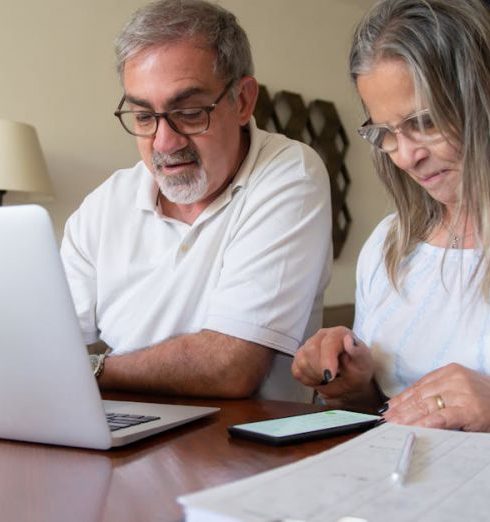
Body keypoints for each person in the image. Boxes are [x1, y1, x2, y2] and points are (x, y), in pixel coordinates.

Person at [61, 0, 332, 401]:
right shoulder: (104, 206)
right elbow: (43, 341)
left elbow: (231, 366)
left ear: (242, 100)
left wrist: (93, 371)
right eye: (143, 117)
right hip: (120, 434)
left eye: (188, 112)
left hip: (242, 450)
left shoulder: (290, 173)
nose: (164, 142)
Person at [292, 0, 490, 431]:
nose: (406, 157)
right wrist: (357, 386)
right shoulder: (390, 245)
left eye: (426, 122)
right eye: (385, 133)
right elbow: (384, 412)